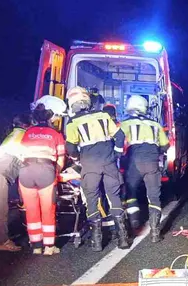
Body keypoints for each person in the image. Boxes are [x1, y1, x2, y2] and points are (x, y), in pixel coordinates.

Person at [64, 86, 129, 251]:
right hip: (109, 163)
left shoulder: (72, 123)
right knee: (114, 197)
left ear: (72, 104)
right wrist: (117, 153)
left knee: (92, 199)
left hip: (89, 166)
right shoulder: (103, 115)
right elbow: (120, 135)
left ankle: (97, 241)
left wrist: (76, 159)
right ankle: (123, 239)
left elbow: (70, 147)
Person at [19, 98, 66, 255]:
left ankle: (36, 246)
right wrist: (56, 173)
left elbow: (21, 155)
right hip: (45, 171)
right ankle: (49, 246)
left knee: (31, 210)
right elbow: (60, 160)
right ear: (51, 117)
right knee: (47, 210)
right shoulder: (56, 134)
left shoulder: (28, 133)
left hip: (26, 172)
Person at [120, 95, 169, 243]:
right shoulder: (156, 125)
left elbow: (117, 143)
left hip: (134, 164)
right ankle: (155, 233)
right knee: (154, 197)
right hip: (152, 163)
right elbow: (165, 145)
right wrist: (155, 152)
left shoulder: (125, 124)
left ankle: (134, 223)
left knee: (131, 193)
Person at [0, 113, 31, 251]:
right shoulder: (23, 135)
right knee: (1, 209)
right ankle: (1, 241)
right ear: (26, 125)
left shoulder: (13, 134)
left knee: (0, 208)